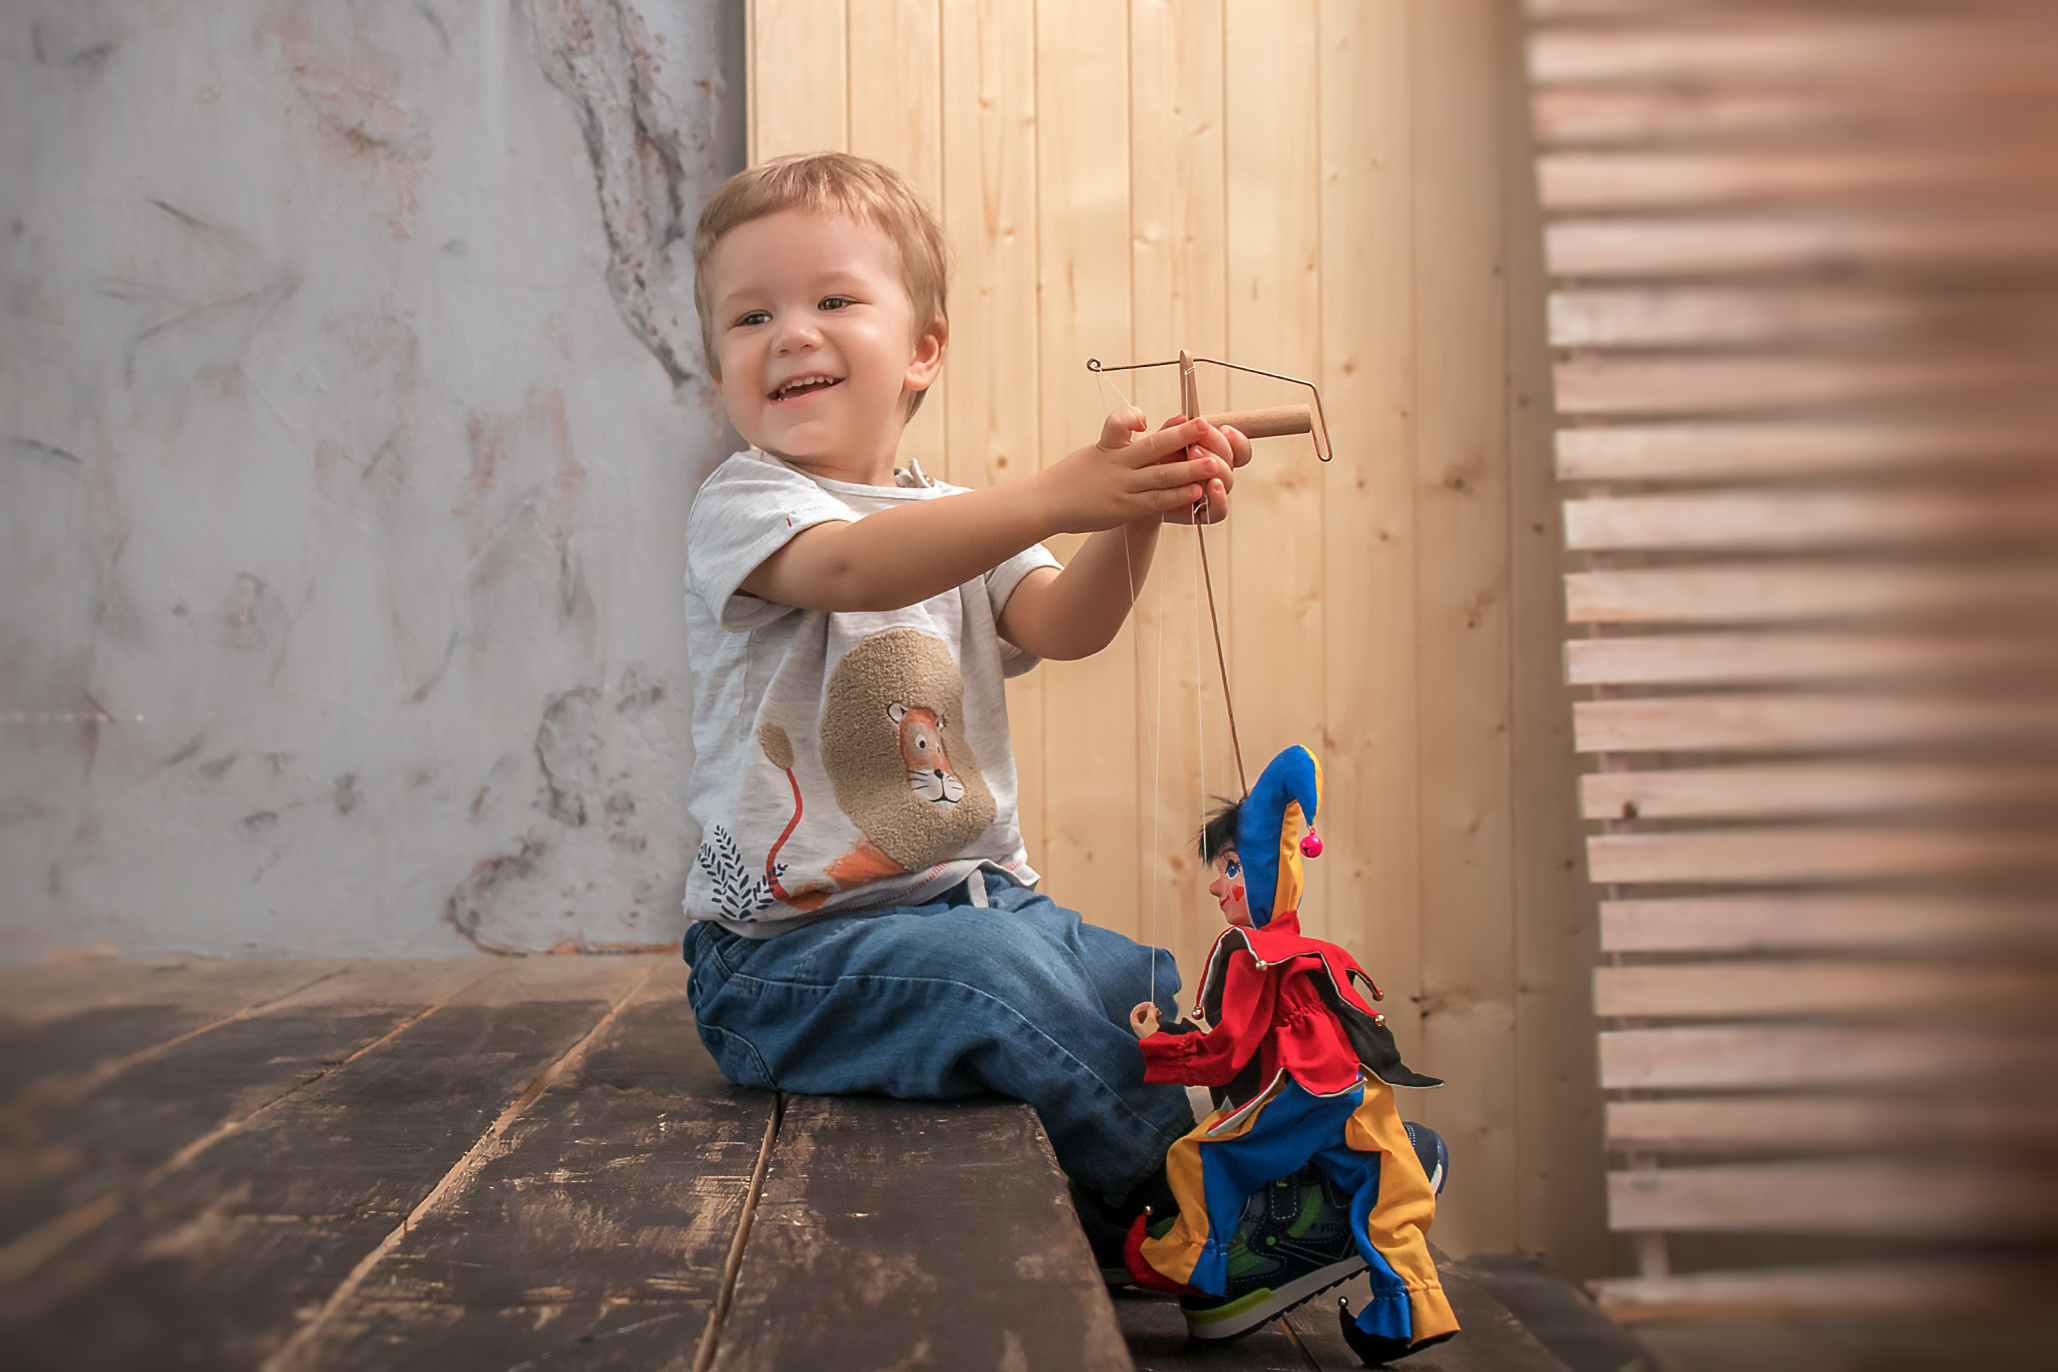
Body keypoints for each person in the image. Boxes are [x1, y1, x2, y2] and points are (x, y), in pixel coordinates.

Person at [676, 152, 1249, 1271]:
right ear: (722, 371)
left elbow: (1061, 621)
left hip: (973, 898)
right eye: (751, 317)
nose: (790, 333)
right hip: (784, 962)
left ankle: (1207, 1181)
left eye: (833, 300)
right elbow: (853, 572)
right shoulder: (745, 505)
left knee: (1129, 980)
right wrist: (1052, 492)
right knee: (994, 977)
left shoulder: (957, 514)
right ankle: (1198, 1217)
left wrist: (1131, 510)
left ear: (924, 348)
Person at [1125, 745, 1460, 1362]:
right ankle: (1410, 1311)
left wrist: (1159, 1044)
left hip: (1305, 1089)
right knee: (1390, 1183)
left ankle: (1193, 1265)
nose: (1215, 887)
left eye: (1230, 867)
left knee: (1200, 1159)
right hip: (1355, 1086)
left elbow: (1228, 1050)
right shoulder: (1298, 946)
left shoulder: (1252, 951)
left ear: (1262, 865)